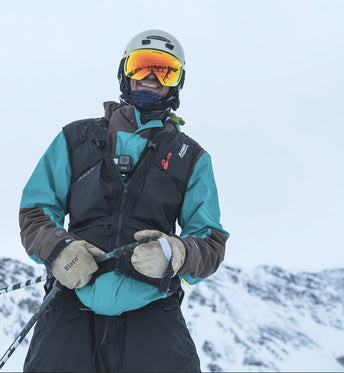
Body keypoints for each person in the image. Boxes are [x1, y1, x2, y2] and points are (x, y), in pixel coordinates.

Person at [18, 29, 229, 372]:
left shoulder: (190, 157)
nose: (151, 77)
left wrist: (174, 253)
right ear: (125, 71)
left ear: (177, 83)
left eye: (165, 70)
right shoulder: (75, 139)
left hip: (151, 312)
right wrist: (60, 248)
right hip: (72, 303)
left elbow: (211, 241)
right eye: (143, 65)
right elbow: (35, 212)